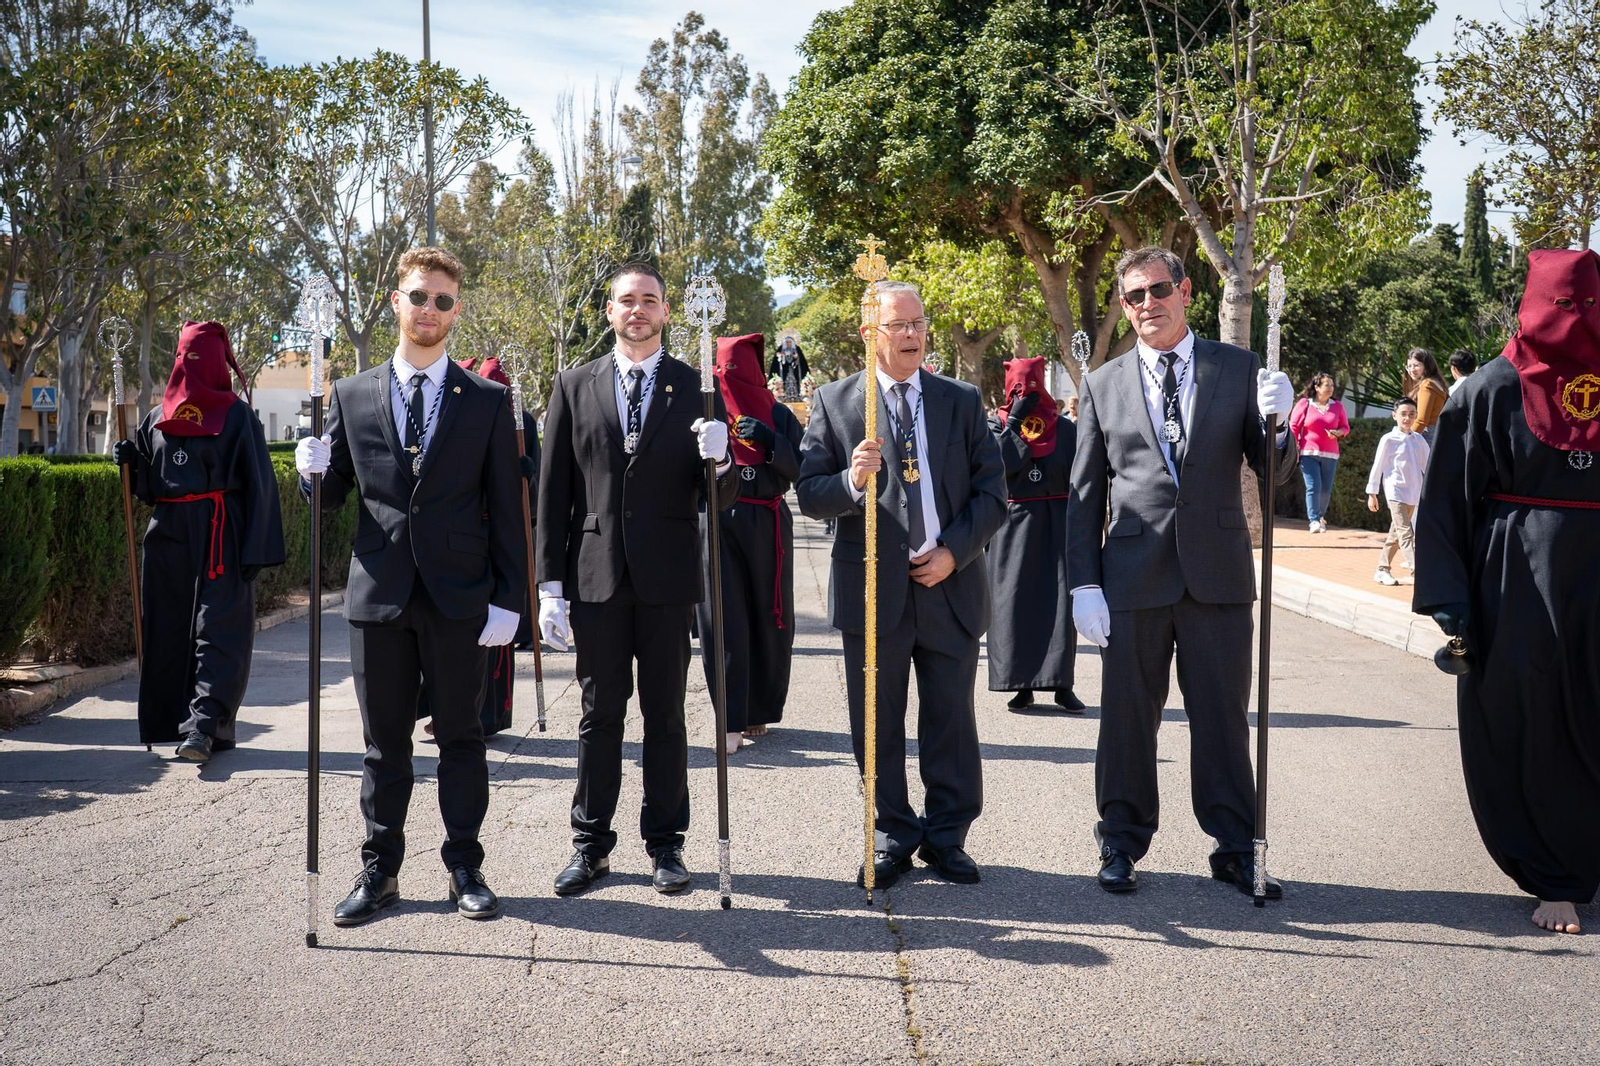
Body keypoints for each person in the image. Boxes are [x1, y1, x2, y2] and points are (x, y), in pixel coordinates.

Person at [294, 246, 526, 926]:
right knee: (383, 744)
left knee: (462, 737)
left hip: (460, 596)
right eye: (419, 296)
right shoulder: (352, 392)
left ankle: (465, 867)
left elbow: (507, 510)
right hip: (380, 592)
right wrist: (312, 469)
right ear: (396, 301)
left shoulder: (485, 400)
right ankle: (380, 870)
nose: (429, 311)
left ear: (456, 312)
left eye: (443, 301)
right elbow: (332, 495)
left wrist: (510, 598)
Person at [1067, 246, 1298, 898]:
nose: (1147, 305)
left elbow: (1273, 471)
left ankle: (1235, 847)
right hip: (1133, 575)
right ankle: (1119, 840)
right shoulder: (1102, 384)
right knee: (1127, 721)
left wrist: (1281, 428)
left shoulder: (1238, 368)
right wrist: (1083, 583)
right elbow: (1085, 496)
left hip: (1218, 576)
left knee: (1223, 718)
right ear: (1123, 304)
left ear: (1187, 291)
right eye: (1134, 296)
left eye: (1158, 289)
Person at [1414, 248, 1600, 935]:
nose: (1573, 321)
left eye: (1586, 306)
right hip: (1514, 578)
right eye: (1560, 305)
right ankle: (1557, 875)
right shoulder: (1489, 387)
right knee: (1531, 716)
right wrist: (1448, 596)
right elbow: (1445, 501)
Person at [797, 279, 1006, 889]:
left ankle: (947, 837)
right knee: (877, 723)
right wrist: (849, 479)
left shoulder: (960, 400)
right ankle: (891, 835)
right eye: (900, 326)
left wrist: (955, 553)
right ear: (871, 334)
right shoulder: (837, 403)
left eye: (919, 324)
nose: (913, 335)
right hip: (872, 592)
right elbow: (810, 495)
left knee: (950, 720)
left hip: (949, 584)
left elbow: (993, 493)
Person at [536, 262, 736, 898]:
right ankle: (590, 844)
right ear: (609, 310)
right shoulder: (573, 384)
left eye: (650, 300)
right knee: (599, 715)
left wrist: (722, 456)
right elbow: (553, 493)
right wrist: (549, 586)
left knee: (666, 714)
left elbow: (723, 495)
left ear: (667, 312)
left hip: (666, 577)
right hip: (594, 574)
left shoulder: (696, 386)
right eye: (627, 300)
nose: (638, 310)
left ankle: (666, 845)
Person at [113, 321, 285, 761]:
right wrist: (130, 465)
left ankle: (204, 727)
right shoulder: (155, 418)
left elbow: (260, 484)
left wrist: (257, 549)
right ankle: (173, 722)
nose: (189, 366)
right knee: (168, 628)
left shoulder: (237, 415)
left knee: (219, 631)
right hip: (168, 536)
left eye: (198, 357)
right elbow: (151, 488)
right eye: (183, 356)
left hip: (220, 535)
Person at [415, 355, 539, 740]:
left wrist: (523, 474)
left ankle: (485, 715)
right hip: (463, 537)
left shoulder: (523, 420)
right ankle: (441, 710)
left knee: (487, 638)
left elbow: (523, 486)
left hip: (494, 538)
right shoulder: (461, 406)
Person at [698, 333, 803, 754]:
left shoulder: (778, 414)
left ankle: (759, 707)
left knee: (769, 617)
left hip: (768, 521)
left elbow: (802, 467)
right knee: (722, 620)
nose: (731, 378)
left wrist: (771, 441)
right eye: (725, 370)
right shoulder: (704, 410)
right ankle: (730, 717)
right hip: (716, 521)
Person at [985, 355, 1083, 712]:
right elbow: (1001, 466)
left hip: (1057, 524)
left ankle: (1061, 684)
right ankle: (1020, 684)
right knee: (1015, 604)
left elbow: (1081, 478)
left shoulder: (1067, 428)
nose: (1024, 393)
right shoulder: (995, 427)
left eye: (1030, 386)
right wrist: (1014, 421)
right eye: (1017, 388)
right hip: (1011, 526)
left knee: (1059, 604)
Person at [1364, 397, 1429, 587]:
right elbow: (1378, 466)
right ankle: (1418, 570)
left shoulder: (1418, 440)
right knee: (1405, 532)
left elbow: (1429, 465)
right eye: (1403, 414)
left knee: (1395, 534)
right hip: (1395, 492)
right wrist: (1372, 493)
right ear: (1394, 415)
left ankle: (1382, 569)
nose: (1407, 418)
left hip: (1414, 492)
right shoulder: (1388, 439)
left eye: (1411, 414)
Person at [1289, 372, 1350, 533]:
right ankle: (1314, 520)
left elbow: (1345, 427)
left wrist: (1337, 433)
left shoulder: (1337, 406)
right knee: (1313, 486)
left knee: (1326, 489)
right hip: (1308, 452)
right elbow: (1293, 426)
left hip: (1331, 454)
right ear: (1317, 387)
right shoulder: (1305, 404)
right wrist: (1294, 446)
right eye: (1326, 385)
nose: (1330, 388)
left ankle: (1321, 516)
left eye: (1332, 385)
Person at [1404, 347, 1450, 445]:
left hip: (1425, 435)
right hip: (1437, 434)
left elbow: (1421, 420)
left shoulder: (1427, 385)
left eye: (1416, 365)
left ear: (1427, 365)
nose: (1412, 370)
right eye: (1409, 366)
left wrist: (1405, 439)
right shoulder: (1437, 383)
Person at [768, 333, 809, 400]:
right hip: (783, 372)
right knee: (783, 383)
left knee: (795, 383)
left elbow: (801, 360)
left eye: (790, 342)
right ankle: (783, 397)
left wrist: (796, 357)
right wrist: (781, 356)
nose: (788, 343)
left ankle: (798, 396)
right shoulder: (781, 349)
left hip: (794, 370)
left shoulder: (797, 349)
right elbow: (777, 358)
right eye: (787, 342)